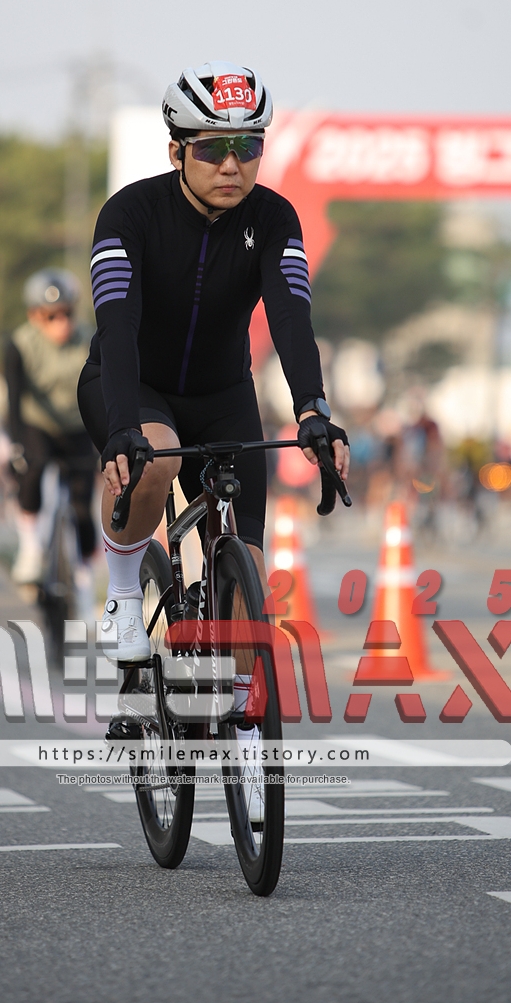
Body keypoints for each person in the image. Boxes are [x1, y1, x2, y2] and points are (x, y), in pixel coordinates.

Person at [76, 61, 350, 687]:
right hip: (133, 384)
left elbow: (290, 315)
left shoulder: (275, 218)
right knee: (155, 457)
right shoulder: (128, 213)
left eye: (248, 148)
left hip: (224, 395)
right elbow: (117, 323)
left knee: (249, 580)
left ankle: (245, 724)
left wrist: (312, 409)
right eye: (212, 149)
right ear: (176, 150)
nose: (232, 165)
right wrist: (122, 427)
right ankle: (123, 590)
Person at [2, 269, 99, 616]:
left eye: (67, 314)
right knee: (34, 466)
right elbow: (13, 399)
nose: (62, 323)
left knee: (83, 508)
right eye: (51, 316)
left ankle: (85, 581)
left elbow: (103, 390)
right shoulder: (19, 345)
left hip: (78, 426)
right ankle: (30, 546)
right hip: (38, 424)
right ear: (34, 316)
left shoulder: (90, 340)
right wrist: (16, 443)